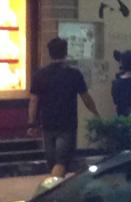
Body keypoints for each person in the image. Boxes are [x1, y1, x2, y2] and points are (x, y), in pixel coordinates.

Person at [27, 37, 100, 178]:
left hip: (47, 123)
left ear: (49, 53)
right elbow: (86, 98)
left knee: (53, 161)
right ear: (66, 52)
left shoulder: (39, 75)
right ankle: (53, 190)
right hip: (68, 123)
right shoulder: (74, 75)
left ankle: (54, 187)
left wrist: (31, 123)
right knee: (62, 161)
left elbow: (34, 101)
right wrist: (96, 113)